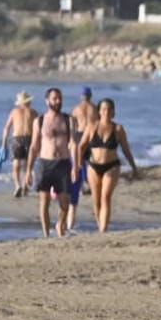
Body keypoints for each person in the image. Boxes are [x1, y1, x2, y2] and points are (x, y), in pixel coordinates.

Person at [76, 98, 138, 233]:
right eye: (104, 109)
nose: (106, 112)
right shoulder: (91, 126)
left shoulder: (118, 129)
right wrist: (77, 165)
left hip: (112, 166)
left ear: (113, 112)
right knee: (96, 200)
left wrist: (133, 167)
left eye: (109, 109)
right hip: (93, 166)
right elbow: (81, 147)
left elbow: (126, 149)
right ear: (99, 111)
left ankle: (103, 230)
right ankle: (100, 226)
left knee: (106, 197)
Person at [28, 88, 76, 237]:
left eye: (60, 98)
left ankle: (60, 224)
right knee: (44, 202)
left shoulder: (69, 120)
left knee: (65, 204)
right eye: (55, 98)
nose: (58, 101)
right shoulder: (39, 121)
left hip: (63, 163)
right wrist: (29, 169)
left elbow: (73, 143)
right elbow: (34, 145)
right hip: (44, 164)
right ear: (47, 100)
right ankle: (46, 234)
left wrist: (75, 166)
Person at [67, 87, 96, 231]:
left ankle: (81, 182)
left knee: (78, 163)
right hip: (90, 136)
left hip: (79, 136)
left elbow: (72, 126)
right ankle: (87, 182)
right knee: (91, 162)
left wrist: (71, 141)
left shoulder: (76, 109)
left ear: (81, 96)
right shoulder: (95, 108)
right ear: (90, 96)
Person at [1, 92, 36, 198]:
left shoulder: (25, 112)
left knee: (19, 165)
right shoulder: (28, 112)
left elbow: (6, 128)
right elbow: (7, 127)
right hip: (24, 139)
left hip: (21, 139)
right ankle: (21, 186)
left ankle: (21, 186)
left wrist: (4, 143)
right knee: (23, 165)